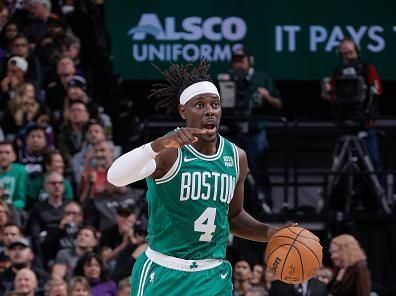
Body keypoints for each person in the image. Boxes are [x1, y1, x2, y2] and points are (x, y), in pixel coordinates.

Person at [107, 61, 285, 296]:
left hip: (212, 274)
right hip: (164, 271)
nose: (210, 111)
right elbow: (115, 177)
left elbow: (233, 216)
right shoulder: (169, 152)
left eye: (215, 104)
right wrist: (154, 146)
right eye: (200, 105)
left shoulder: (237, 157)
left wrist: (269, 233)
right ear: (183, 112)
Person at [223, 47, 282, 210]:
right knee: (230, 171)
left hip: (255, 131)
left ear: (249, 61)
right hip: (233, 132)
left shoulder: (261, 78)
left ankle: (266, 206)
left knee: (259, 169)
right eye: (235, 61)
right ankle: (232, 208)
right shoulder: (226, 79)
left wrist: (267, 97)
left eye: (241, 60)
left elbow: (278, 104)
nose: (238, 64)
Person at [322, 37, 383, 172]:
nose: (348, 56)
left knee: (373, 162)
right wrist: (327, 92)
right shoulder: (338, 71)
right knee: (339, 163)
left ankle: (380, 191)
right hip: (344, 122)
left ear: (357, 51)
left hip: (365, 122)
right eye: (345, 53)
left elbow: (377, 90)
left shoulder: (367, 68)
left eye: (351, 52)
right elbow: (330, 96)